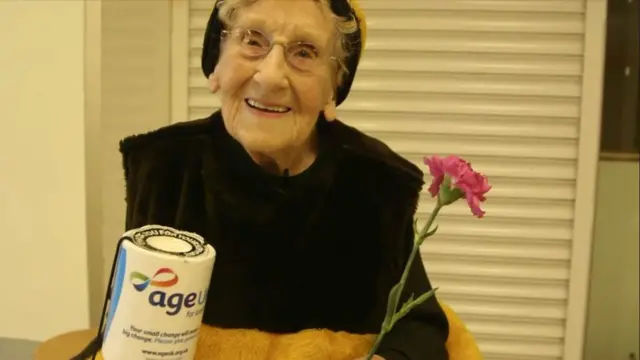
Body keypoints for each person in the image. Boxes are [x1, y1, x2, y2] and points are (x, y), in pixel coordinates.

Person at [78, 0, 450, 359]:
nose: (271, 76)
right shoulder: (167, 165)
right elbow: (131, 326)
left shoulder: (375, 182)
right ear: (215, 64)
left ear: (334, 88)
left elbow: (420, 329)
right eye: (252, 40)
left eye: (304, 53)